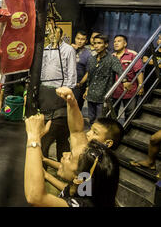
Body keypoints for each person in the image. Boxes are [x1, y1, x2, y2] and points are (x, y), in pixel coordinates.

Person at [24, 113, 120, 207]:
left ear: (79, 178)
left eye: (70, 157)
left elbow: (35, 198)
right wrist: (46, 175)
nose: (64, 154)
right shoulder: (85, 187)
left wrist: (33, 137)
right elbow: (76, 132)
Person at [42, 86, 123, 191]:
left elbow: (75, 194)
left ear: (108, 143)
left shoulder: (98, 167)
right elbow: (77, 131)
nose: (88, 133)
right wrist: (72, 102)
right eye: (91, 129)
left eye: (95, 133)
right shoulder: (90, 155)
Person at [39, 26, 77, 161]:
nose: (52, 36)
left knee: (59, 136)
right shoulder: (45, 49)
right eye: (50, 34)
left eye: (56, 33)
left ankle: (63, 165)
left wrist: (65, 92)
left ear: (61, 35)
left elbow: (71, 75)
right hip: (45, 95)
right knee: (56, 137)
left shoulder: (68, 50)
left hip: (60, 95)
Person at [81, 34, 131, 124]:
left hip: (103, 97)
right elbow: (90, 77)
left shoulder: (112, 59)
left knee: (101, 122)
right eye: (95, 43)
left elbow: (120, 71)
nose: (96, 46)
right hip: (91, 96)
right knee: (91, 119)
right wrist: (87, 89)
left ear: (106, 45)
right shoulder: (92, 59)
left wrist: (125, 81)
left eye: (99, 43)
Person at [112, 35, 144, 121]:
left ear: (125, 43)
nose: (116, 43)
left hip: (130, 90)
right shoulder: (112, 56)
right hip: (115, 91)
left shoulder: (132, 55)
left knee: (130, 114)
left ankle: (127, 132)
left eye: (119, 41)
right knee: (112, 113)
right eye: (114, 41)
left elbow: (139, 71)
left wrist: (141, 85)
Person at [72, 30, 92, 111]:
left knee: (77, 107)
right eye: (78, 38)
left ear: (86, 41)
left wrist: (80, 83)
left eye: (82, 39)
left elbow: (88, 72)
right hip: (67, 82)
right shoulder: (70, 49)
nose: (79, 41)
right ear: (75, 39)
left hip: (79, 84)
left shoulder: (88, 54)